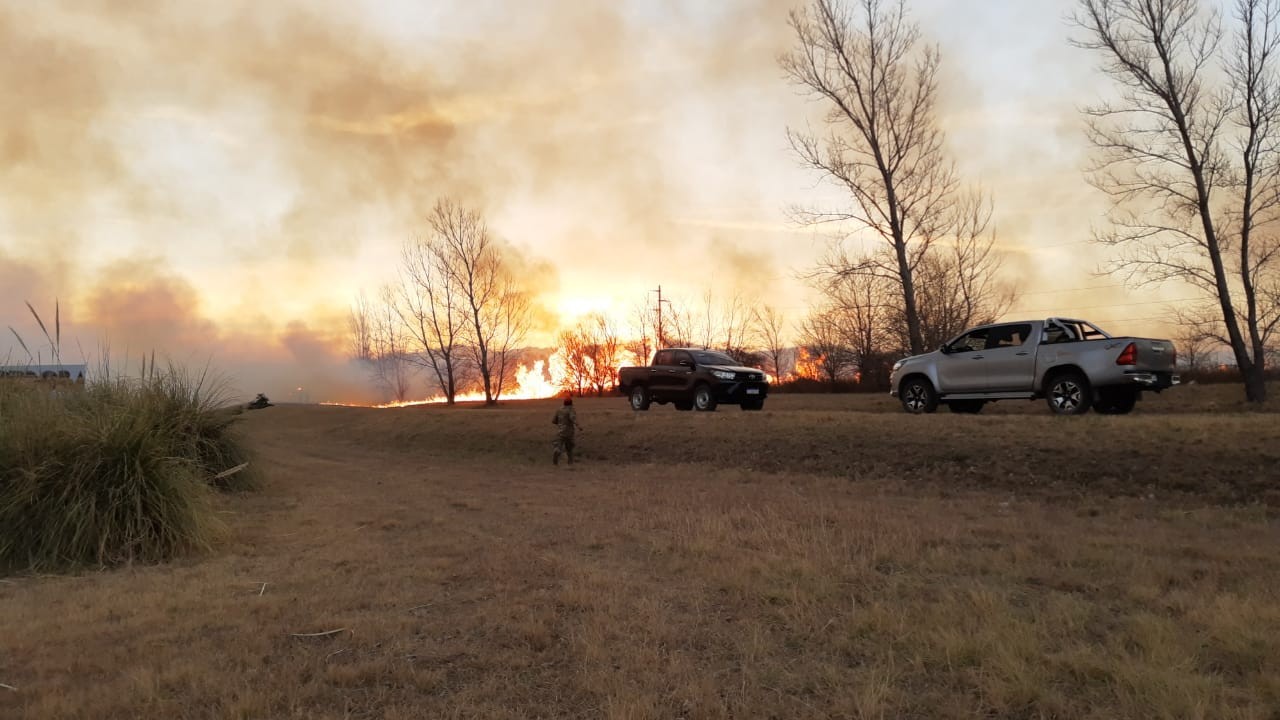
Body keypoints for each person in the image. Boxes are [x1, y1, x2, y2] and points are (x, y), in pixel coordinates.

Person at [551, 395, 581, 465]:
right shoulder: (571, 409)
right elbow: (573, 418)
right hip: (569, 432)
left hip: (560, 431)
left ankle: (557, 451)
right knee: (569, 449)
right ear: (571, 403)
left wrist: (561, 424)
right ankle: (570, 463)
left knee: (559, 446)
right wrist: (578, 426)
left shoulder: (559, 410)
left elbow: (553, 421)